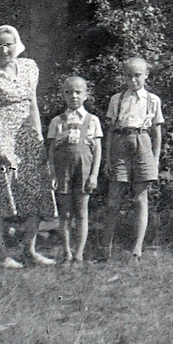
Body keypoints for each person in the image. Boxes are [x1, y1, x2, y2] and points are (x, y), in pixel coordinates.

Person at [0, 25, 54, 268]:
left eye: (8, 44)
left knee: (34, 190)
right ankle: (1, 254)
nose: (4, 49)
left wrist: (39, 136)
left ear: (16, 44)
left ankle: (29, 248)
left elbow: (33, 104)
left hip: (26, 133)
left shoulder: (29, 67)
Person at [103, 56, 163, 260]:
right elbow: (110, 131)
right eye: (129, 76)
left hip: (142, 142)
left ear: (146, 75)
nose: (133, 80)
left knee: (140, 198)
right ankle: (106, 247)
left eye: (137, 75)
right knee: (114, 199)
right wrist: (108, 159)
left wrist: (154, 160)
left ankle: (137, 249)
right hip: (120, 143)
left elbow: (157, 133)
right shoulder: (117, 99)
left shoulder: (152, 100)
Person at [47, 74, 102, 263]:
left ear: (86, 95)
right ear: (63, 95)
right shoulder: (57, 121)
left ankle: (79, 252)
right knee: (65, 213)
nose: (74, 96)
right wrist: (52, 173)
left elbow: (98, 151)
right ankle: (67, 251)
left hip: (84, 169)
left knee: (82, 211)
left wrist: (94, 174)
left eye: (78, 92)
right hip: (63, 170)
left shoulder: (92, 120)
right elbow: (52, 150)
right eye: (68, 92)